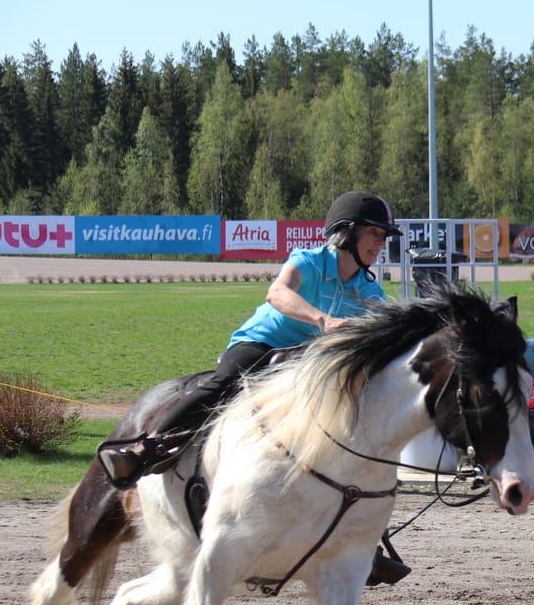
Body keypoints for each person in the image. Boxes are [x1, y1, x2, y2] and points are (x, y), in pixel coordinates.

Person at [98, 190, 408, 582]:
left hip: (307, 368)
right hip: (262, 345)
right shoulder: (310, 261)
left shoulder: (368, 289)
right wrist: (322, 320)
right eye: (375, 235)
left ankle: (366, 541)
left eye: (383, 238)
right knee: (223, 383)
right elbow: (277, 293)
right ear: (346, 232)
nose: (380, 245)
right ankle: (146, 448)